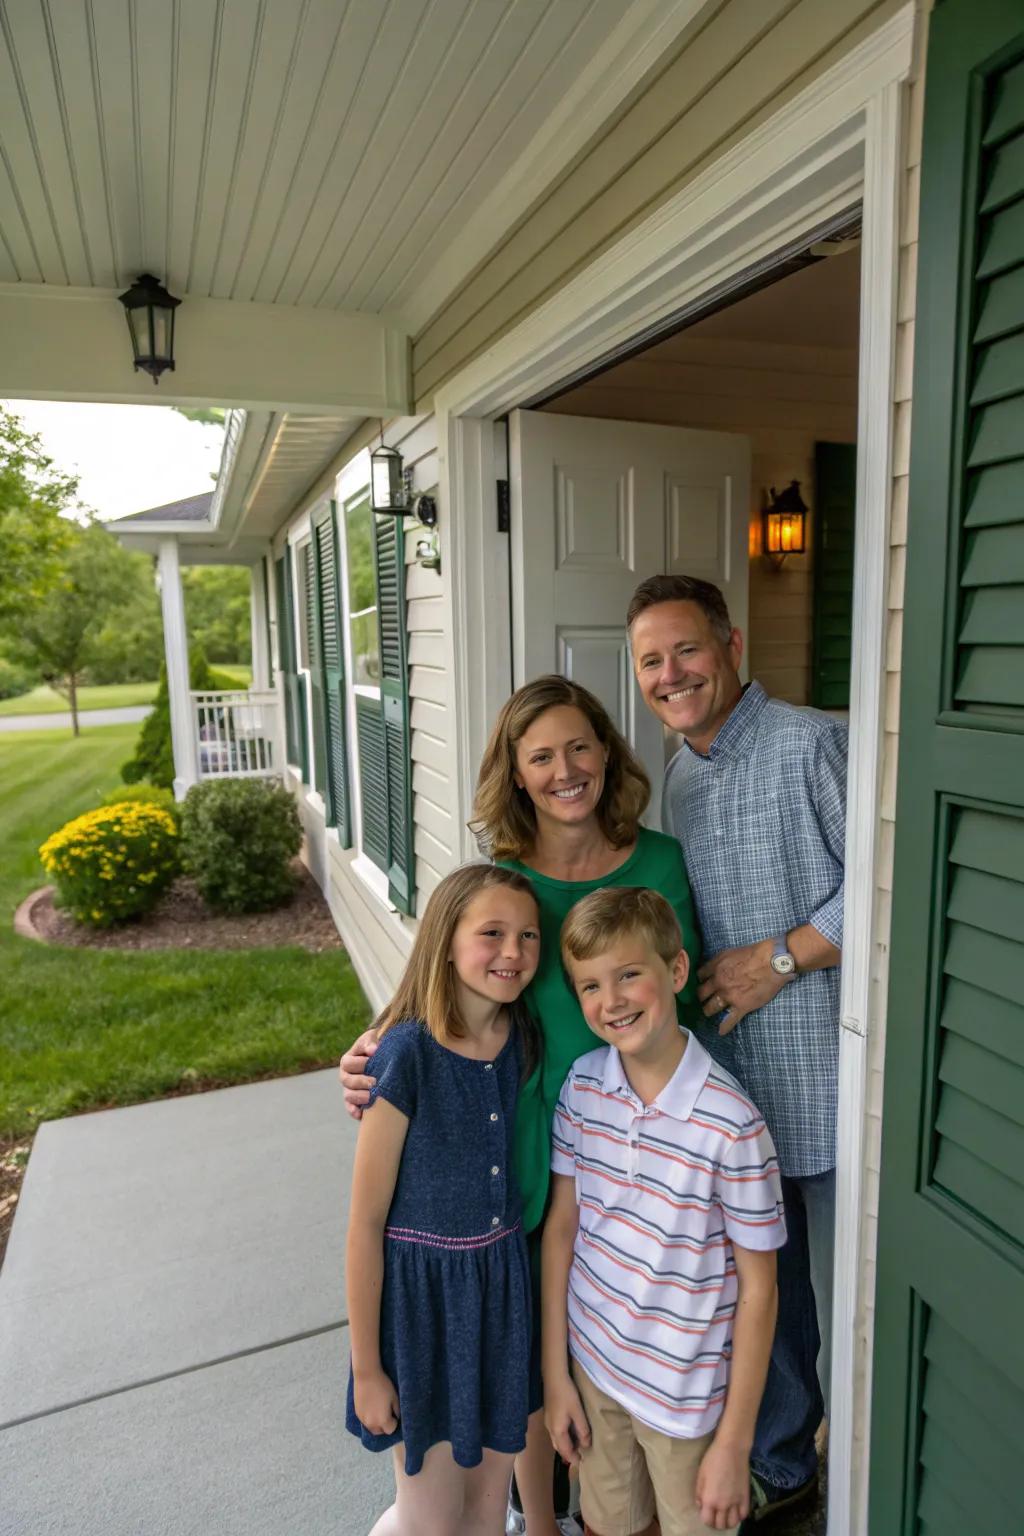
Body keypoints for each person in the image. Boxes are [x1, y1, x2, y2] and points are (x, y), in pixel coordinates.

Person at [342, 676, 703, 1536]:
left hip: (637, 1151)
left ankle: (613, 1507)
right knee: (528, 1354)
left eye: (580, 746)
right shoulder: (501, 885)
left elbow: (674, 987)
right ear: (514, 772)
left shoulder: (662, 863)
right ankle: (541, 1516)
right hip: (530, 1164)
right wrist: (372, 1048)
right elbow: (439, 982)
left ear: (609, 753)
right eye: (539, 755)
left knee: (620, 1342)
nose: (564, 769)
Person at [627, 573, 847, 1526]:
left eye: (687, 650)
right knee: (774, 1285)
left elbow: (887, 879)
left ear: (731, 645)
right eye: (650, 661)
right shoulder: (679, 773)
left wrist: (780, 960)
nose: (671, 674)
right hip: (738, 1092)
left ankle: (850, 1459)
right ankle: (785, 1459)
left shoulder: (810, 744)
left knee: (846, 1298)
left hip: (830, 1081)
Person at [543, 886, 785, 1536]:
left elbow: (760, 1290)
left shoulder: (732, 1126)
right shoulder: (582, 1087)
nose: (612, 1000)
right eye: (590, 986)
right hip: (594, 1370)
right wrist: (556, 1375)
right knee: (608, 1524)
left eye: (629, 975)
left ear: (675, 972)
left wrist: (735, 1444)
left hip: (688, 1402)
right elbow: (562, 1231)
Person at [345, 863, 542, 1536]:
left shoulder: (522, 1039)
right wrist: (367, 1368)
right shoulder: (406, 1055)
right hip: (424, 1312)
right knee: (431, 1520)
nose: (512, 952)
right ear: (445, 940)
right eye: (492, 933)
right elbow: (365, 1224)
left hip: (499, 1298)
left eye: (528, 936)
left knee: (487, 1514)